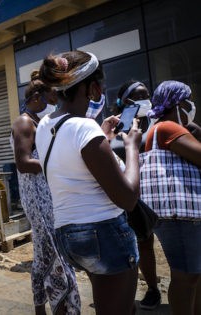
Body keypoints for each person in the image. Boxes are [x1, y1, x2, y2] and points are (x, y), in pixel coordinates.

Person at [36, 50, 142, 315]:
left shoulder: (45, 125)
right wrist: (132, 148)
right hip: (104, 234)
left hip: (69, 236)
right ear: (92, 87)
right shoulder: (85, 129)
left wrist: (101, 135)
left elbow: (74, 162)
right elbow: (128, 198)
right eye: (101, 83)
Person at [11, 70, 80, 315]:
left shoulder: (39, 122)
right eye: (53, 96)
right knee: (57, 257)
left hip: (48, 197)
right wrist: (60, 161)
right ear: (37, 97)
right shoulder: (24, 122)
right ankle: (65, 307)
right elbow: (23, 162)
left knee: (42, 259)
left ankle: (41, 308)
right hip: (38, 201)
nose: (56, 101)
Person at [141, 80, 201, 315]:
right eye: (188, 100)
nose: (191, 105)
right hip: (180, 216)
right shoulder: (168, 128)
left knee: (193, 274)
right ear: (177, 104)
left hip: (182, 214)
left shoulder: (162, 128)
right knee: (186, 276)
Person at [110, 80, 162, 310]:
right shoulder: (117, 128)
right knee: (144, 242)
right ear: (128, 102)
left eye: (148, 94)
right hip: (134, 193)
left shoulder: (158, 120)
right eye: (141, 96)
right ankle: (152, 288)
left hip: (160, 189)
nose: (147, 99)